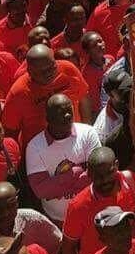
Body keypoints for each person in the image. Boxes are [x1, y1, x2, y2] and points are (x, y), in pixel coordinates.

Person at [61, 146, 135, 254]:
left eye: (109, 173)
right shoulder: (78, 206)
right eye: (98, 176)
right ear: (89, 174)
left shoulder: (131, 180)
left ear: (116, 165)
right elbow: (68, 249)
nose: (105, 180)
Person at [25, 94, 102, 224]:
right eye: (61, 113)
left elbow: (98, 173)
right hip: (57, 220)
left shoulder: (88, 133)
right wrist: (76, 173)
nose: (67, 116)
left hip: (90, 213)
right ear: (48, 118)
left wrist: (56, 185)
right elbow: (41, 190)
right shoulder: (35, 147)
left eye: (69, 110)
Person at [2, 45, 92, 148]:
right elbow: (10, 131)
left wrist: (87, 131)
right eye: (42, 72)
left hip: (75, 142)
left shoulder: (68, 69)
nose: (48, 73)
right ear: (30, 71)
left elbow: (83, 98)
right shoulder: (18, 93)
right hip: (40, 150)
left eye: (52, 67)